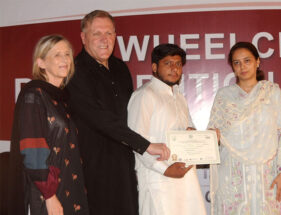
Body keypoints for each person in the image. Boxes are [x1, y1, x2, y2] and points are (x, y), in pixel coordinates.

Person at [66, 10, 169, 215]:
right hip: (93, 167)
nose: (105, 40)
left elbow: (129, 115)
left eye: (110, 33)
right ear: (83, 37)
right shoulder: (75, 71)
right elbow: (101, 119)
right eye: (97, 34)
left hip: (124, 164)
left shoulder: (120, 67)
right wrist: (146, 145)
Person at [208, 41, 281, 214]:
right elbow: (213, 134)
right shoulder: (224, 96)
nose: (242, 66)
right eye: (237, 62)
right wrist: (212, 138)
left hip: (269, 173)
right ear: (232, 67)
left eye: (247, 60)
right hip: (234, 174)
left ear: (257, 62)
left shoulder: (272, 92)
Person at [8, 35, 89, 215]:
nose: (65, 59)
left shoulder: (62, 98)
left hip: (71, 186)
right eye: (57, 55)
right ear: (41, 63)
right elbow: (33, 151)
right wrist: (50, 197)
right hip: (47, 192)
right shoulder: (34, 96)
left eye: (67, 54)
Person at [127, 43, 207, 215]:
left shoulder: (179, 97)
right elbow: (136, 141)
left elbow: (190, 128)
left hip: (185, 178)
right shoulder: (144, 95)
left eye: (178, 64)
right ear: (155, 67)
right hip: (159, 179)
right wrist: (165, 169)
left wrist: (195, 135)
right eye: (168, 63)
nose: (174, 68)